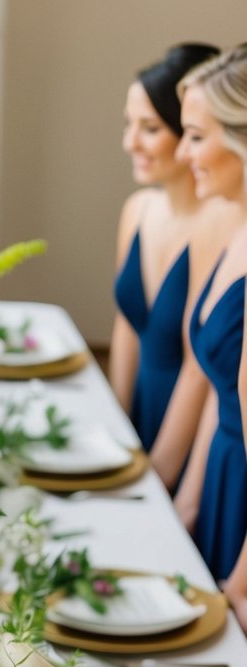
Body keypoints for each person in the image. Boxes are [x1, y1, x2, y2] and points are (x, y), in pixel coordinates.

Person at [110, 43, 237, 489]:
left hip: (184, 431)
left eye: (150, 128)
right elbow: (127, 326)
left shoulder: (222, 224)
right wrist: (116, 424)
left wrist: (161, 469)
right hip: (139, 410)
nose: (131, 143)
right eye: (129, 125)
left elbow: (198, 363)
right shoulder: (137, 208)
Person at [173, 46, 247, 630]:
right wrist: (186, 506)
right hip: (220, 475)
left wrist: (237, 587)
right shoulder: (235, 227)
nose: (182, 153)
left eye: (196, 136)